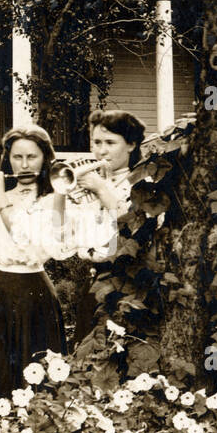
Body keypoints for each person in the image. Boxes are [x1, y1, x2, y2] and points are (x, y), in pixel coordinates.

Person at [0, 124, 69, 399]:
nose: (23, 165)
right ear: (7, 159)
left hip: (34, 291)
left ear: (46, 159)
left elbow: (26, 241)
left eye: (31, 157)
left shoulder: (52, 200)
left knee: (36, 375)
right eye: (16, 157)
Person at [67, 109, 146, 345]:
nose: (101, 150)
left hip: (127, 284)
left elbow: (133, 226)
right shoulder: (92, 181)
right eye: (97, 142)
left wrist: (102, 190)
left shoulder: (141, 181)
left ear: (131, 145)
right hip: (94, 282)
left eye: (110, 142)